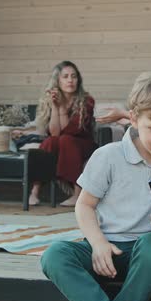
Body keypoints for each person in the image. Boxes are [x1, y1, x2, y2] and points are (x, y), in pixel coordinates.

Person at [40, 73, 151, 301]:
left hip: (150, 257)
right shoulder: (108, 156)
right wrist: (98, 243)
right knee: (55, 255)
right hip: (106, 248)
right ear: (133, 119)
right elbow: (84, 205)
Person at [27, 61, 97, 207]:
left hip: (83, 143)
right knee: (49, 142)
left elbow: (71, 131)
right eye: (65, 77)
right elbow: (54, 133)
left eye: (74, 76)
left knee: (66, 140)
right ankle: (34, 191)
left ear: (78, 79)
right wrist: (55, 106)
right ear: (58, 81)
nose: (70, 80)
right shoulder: (50, 99)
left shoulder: (87, 101)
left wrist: (63, 107)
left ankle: (77, 195)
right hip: (63, 142)